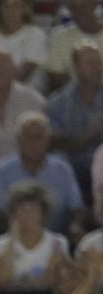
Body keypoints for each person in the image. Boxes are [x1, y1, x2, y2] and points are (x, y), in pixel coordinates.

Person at [0, 114, 84, 233]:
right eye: (28, 137)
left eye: (40, 137)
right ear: (18, 140)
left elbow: (76, 207)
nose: (34, 142)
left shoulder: (63, 168)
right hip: (14, 237)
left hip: (57, 237)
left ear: (48, 140)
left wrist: (75, 227)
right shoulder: (2, 169)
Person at [50, 46, 103, 188]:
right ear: (76, 67)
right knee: (57, 160)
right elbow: (54, 144)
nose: (97, 68)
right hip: (73, 163)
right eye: (90, 63)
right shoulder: (58, 103)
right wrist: (87, 136)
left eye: (99, 62)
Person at [0, 0, 48, 87]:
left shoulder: (35, 35)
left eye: (17, 6)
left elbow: (21, 75)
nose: (11, 11)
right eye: (6, 6)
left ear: (25, 8)